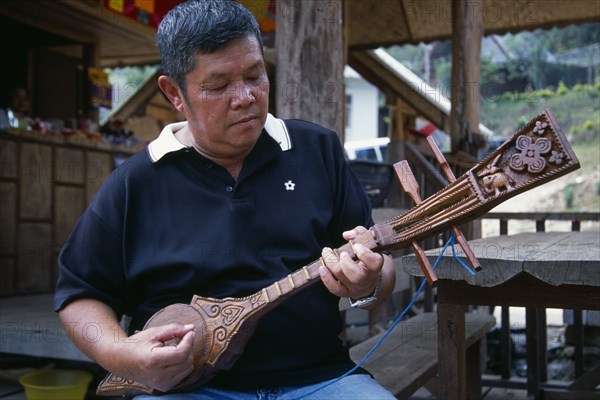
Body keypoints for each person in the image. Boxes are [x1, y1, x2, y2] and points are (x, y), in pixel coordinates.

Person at [54, 1, 396, 399]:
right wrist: (121, 355)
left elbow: (379, 263)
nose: (245, 97)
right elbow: (81, 294)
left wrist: (368, 281)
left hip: (320, 379)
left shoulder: (316, 150)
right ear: (174, 93)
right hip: (188, 390)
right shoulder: (137, 181)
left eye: (255, 76)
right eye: (218, 87)